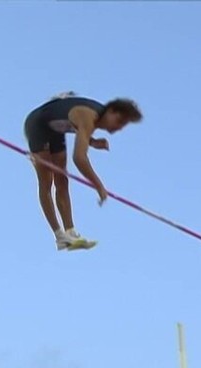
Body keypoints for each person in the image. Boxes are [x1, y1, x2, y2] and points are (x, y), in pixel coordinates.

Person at [23, 92, 142, 250]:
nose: (119, 128)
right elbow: (79, 158)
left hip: (55, 130)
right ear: (111, 111)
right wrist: (99, 186)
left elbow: (75, 126)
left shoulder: (95, 117)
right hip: (37, 125)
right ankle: (59, 236)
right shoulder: (89, 116)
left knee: (62, 180)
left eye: (123, 125)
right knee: (47, 181)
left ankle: (70, 233)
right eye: (119, 121)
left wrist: (92, 142)